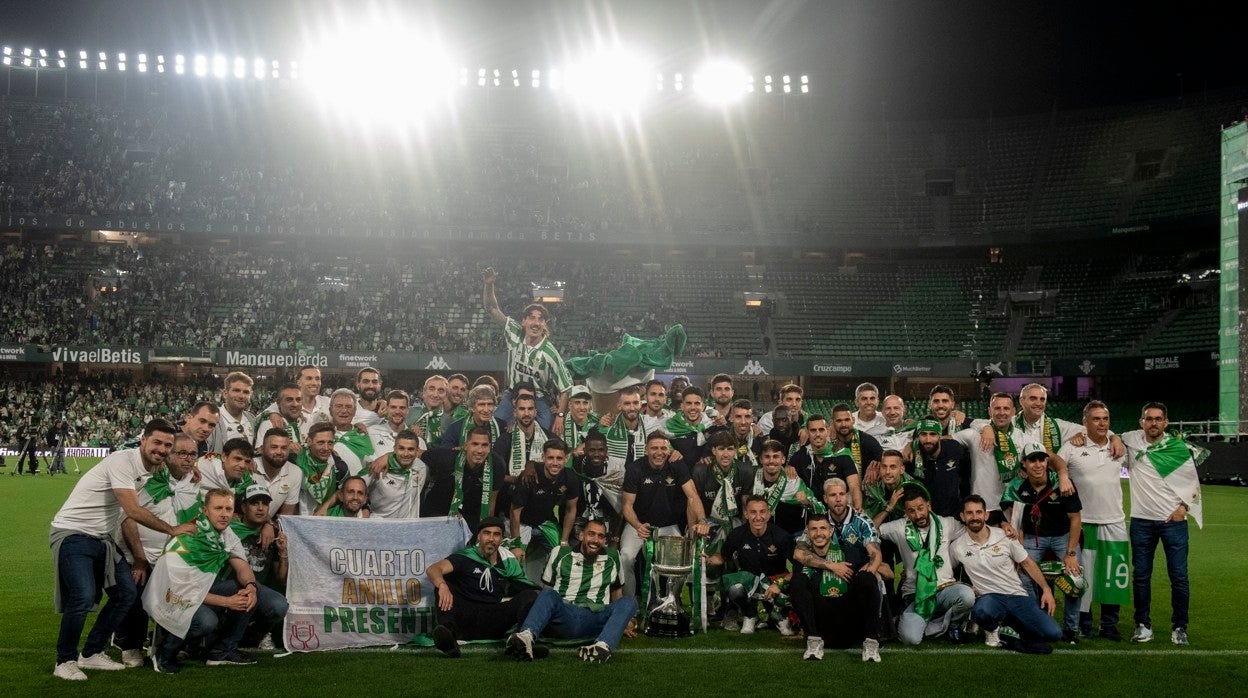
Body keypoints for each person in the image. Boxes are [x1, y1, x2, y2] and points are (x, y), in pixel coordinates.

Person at [49, 418, 198, 681]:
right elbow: (131, 510)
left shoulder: (154, 468)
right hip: (73, 532)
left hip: (102, 539)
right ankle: (65, 660)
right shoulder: (121, 461)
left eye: (167, 445)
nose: (162, 449)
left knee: (126, 594)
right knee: (82, 596)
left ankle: (92, 653)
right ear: (143, 440)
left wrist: (194, 468)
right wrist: (172, 529)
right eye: (157, 442)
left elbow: (177, 469)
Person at [145, 488, 260, 673]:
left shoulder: (226, 534)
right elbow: (183, 590)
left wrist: (251, 587)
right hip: (170, 596)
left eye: (228, 509)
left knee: (246, 591)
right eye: (218, 508)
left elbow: (242, 566)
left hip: (197, 591)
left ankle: (223, 650)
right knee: (206, 621)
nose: (224, 514)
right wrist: (227, 602)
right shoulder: (189, 536)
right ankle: (164, 650)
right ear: (205, 511)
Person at [115, 432, 203, 668]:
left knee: (170, 598)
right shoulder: (145, 479)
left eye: (192, 454)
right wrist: (140, 557)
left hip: (170, 558)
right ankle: (129, 644)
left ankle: (162, 645)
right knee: (135, 591)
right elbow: (127, 517)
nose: (187, 459)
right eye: (181, 453)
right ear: (167, 455)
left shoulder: (194, 484)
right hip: (134, 553)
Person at [1120, 402, 1203, 646]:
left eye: (1158, 419)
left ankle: (1179, 627)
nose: (1153, 423)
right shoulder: (1131, 439)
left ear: (1166, 422)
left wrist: (1182, 509)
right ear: (1141, 421)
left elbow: (1192, 483)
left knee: (1179, 576)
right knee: (1141, 576)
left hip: (1173, 522)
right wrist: (1115, 440)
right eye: (1149, 418)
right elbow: (1111, 436)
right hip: (1141, 521)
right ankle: (1143, 625)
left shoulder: (1177, 448)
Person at [506, 519, 638, 664]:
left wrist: (621, 621)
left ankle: (602, 647)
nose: (595, 540)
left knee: (628, 602)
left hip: (594, 617)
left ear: (605, 540)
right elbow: (547, 592)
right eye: (591, 534)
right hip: (565, 614)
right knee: (548, 594)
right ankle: (526, 637)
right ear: (581, 536)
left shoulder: (613, 557)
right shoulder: (559, 553)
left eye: (600, 536)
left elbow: (617, 596)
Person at [1053, 400, 1128, 641]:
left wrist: (1117, 439)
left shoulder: (1118, 448)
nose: (1101, 423)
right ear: (1085, 422)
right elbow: (1054, 459)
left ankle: (1109, 625)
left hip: (1114, 520)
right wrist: (1063, 472)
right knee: (1081, 576)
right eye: (1096, 419)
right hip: (1082, 523)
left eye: (1105, 419)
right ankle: (1083, 623)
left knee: (1113, 576)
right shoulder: (1073, 446)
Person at [952, 494, 1063, 654]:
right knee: (981, 612)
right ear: (963, 516)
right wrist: (965, 587)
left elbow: (1027, 563)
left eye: (978, 512)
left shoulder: (1004, 536)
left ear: (986, 515)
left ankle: (1009, 629)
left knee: (1053, 633)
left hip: (1017, 596)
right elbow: (946, 572)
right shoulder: (957, 546)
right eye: (969, 513)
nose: (974, 517)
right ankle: (992, 628)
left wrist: (1046, 589)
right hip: (990, 598)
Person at [790, 479, 886, 662]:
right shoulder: (819, 521)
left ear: (848, 496)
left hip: (854, 582)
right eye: (833, 495)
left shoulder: (862, 521)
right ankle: (813, 638)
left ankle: (872, 640)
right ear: (825, 498)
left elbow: (875, 554)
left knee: (869, 578)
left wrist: (869, 573)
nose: (838, 499)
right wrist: (832, 565)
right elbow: (799, 552)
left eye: (842, 494)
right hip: (825, 582)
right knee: (798, 579)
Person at [1000, 443, 1083, 642]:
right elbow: (1015, 519)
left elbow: (1075, 518)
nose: (1037, 464)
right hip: (1032, 538)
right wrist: (1018, 550)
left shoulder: (1061, 483)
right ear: (1024, 464)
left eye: (1041, 459)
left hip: (1062, 536)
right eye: (1032, 460)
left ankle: (1071, 629)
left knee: (1075, 579)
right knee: (1024, 577)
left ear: (1047, 461)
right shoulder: (1016, 487)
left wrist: (1071, 554)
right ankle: (1036, 621)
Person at [427, 517, 541, 658]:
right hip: (463, 620)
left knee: (530, 596)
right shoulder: (466, 556)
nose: (491, 538)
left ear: (502, 539)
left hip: (492, 620)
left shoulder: (508, 562)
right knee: (443, 586)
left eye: (496, 534)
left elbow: (528, 587)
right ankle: (449, 641)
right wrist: (442, 585)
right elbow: (433, 569)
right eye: (487, 533)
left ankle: (521, 643)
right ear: (479, 536)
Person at [878, 484, 973, 645]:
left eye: (921, 508)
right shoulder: (900, 527)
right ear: (906, 512)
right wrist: (888, 508)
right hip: (916, 594)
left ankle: (954, 625)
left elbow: (972, 530)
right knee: (911, 639)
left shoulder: (946, 523)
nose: (918, 514)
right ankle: (937, 622)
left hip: (944, 589)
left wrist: (1003, 527)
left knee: (967, 595)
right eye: (912, 511)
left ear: (929, 505)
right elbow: (869, 529)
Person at [619, 432, 712, 599]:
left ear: (669, 450)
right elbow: (627, 506)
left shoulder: (676, 464)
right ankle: (630, 604)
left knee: (684, 561)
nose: (659, 452)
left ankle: (670, 602)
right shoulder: (635, 468)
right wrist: (638, 526)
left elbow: (692, 496)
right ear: (646, 450)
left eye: (663, 448)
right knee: (626, 557)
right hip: (639, 525)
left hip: (668, 526)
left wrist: (703, 520)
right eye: (654, 448)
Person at [483, 268, 573, 434]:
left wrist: (560, 414)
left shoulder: (550, 353)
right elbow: (491, 308)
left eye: (540, 319)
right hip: (512, 394)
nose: (536, 322)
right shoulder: (514, 333)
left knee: (546, 432)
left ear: (545, 325)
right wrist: (489, 285)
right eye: (532, 317)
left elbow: (566, 388)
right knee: (495, 428)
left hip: (539, 398)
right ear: (523, 321)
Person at [706, 495, 795, 634]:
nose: (758, 517)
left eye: (762, 512)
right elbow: (723, 556)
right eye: (753, 512)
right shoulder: (737, 534)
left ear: (769, 513)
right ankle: (750, 615)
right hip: (750, 583)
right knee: (735, 588)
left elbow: (800, 568)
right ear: (746, 514)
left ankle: (778, 615)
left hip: (775, 584)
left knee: (795, 587)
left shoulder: (782, 536)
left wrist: (780, 583)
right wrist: (709, 559)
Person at [225, 484, 290, 650]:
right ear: (243, 507)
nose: (261, 508)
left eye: (265, 503)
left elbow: (281, 578)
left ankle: (253, 635)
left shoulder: (274, 534)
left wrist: (283, 553)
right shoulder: (228, 529)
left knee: (280, 604)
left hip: (258, 590)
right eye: (255, 503)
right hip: (229, 586)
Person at [508, 439, 580, 581]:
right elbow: (514, 512)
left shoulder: (570, 477)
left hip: (545, 521)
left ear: (566, 459)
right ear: (543, 458)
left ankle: (555, 589)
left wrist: (564, 541)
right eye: (550, 458)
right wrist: (515, 544)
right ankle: (515, 591)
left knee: (563, 555)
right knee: (515, 558)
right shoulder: (530, 476)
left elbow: (571, 510)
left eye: (559, 458)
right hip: (522, 523)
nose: (555, 463)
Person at [952, 392, 1024, 523]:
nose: (1001, 412)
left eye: (1006, 408)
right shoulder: (974, 435)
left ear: (1013, 411)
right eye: (997, 408)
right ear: (989, 411)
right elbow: (944, 441)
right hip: (983, 508)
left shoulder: (1023, 438)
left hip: (1012, 508)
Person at [422, 426, 506, 532]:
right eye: (475, 444)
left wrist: (484, 531)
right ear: (465, 446)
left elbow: (491, 502)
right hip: (437, 511)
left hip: (470, 514)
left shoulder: (497, 465)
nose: (480, 450)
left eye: (484, 445)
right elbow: (418, 453)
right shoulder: (447, 458)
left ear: (490, 447)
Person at [790, 411, 865, 511]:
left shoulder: (842, 455)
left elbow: (854, 487)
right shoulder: (800, 456)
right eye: (813, 430)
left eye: (821, 430)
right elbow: (788, 474)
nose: (817, 434)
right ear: (807, 433)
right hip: (812, 516)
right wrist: (788, 467)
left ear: (828, 432)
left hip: (838, 514)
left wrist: (857, 508)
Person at [753, 439, 823, 536]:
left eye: (776, 456)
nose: (771, 461)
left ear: (783, 460)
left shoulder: (794, 483)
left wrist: (807, 502)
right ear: (761, 459)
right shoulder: (753, 478)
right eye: (767, 457)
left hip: (791, 537)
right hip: (762, 536)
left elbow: (821, 509)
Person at [911, 417, 969, 517]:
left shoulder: (954, 449)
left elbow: (966, 476)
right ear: (918, 437)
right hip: (927, 518)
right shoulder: (912, 457)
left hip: (955, 516)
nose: (928, 440)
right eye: (923, 434)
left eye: (933, 434)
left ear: (940, 435)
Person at [363, 430, 427, 519]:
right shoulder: (378, 468)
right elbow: (352, 488)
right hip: (380, 527)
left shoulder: (420, 467)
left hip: (408, 529)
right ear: (394, 449)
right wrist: (365, 510)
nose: (406, 454)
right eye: (401, 448)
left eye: (411, 449)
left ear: (417, 451)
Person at [658, 387, 719, 464]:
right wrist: (670, 450)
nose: (693, 407)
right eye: (689, 403)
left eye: (697, 403)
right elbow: (653, 441)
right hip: (676, 472)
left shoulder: (711, 424)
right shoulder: (669, 424)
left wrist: (710, 456)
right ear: (682, 406)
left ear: (702, 406)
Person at [864, 450, 918, 528]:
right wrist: (889, 507)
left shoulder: (913, 487)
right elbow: (868, 528)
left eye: (893, 467)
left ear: (902, 469)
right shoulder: (872, 487)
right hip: (878, 533)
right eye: (884, 466)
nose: (887, 472)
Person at [208, 372, 256, 453]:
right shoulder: (212, 419)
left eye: (246, 392)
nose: (241, 396)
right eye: (236, 390)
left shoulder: (251, 418)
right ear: (225, 393)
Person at [370, 390, 426, 457]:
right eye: (393, 407)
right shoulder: (372, 433)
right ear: (387, 408)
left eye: (402, 408)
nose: (397, 412)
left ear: (408, 410)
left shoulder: (419, 441)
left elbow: (423, 466)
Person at [253, 383, 306, 453]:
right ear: (278, 403)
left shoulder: (304, 421)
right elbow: (259, 452)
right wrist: (285, 448)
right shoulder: (270, 424)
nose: (295, 404)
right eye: (289, 400)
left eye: (298, 400)